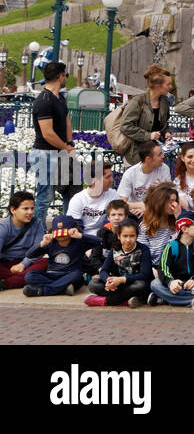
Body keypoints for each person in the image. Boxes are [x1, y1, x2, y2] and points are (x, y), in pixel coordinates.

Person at [31, 61, 76, 223]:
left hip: (60, 151)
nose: (66, 79)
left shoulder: (59, 98)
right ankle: (38, 233)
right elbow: (47, 133)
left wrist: (69, 143)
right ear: (60, 76)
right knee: (45, 197)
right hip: (45, 153)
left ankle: (67, 225)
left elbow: (66, 120)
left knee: (69, 192)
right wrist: (66, 147)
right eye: (65, 75)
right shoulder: (44, 100)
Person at [21, 214, 99, 296]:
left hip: (70, 275)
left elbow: (98, 242)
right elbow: (29, 255)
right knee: (29, 276)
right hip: (51, 275)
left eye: (63, 232)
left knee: (78, 276)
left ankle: (43, 291)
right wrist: (42, 244)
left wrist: (80, 235)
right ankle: (62, 289)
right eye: (57, 232)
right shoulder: (50, 242)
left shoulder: (79, 242)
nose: (60, 235)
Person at [151, 212, 194, 307]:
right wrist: (171, 282)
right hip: (176, 285)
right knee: (155, 284)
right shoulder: (171, 247)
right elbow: (163, 268)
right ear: (184, 229)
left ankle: (168, 300)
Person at [119, 64, 174, 169]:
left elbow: (163, 125)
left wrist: (166, 133)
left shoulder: (164, 102)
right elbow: (125, 126)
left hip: (156, 156)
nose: (171, 87)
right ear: (158, 86)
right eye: (168, 84)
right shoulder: (137, 101)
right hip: (136, 156)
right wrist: (148, 136)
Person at [88, 219, 152, 308]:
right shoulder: (115, 249)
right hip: (118, 285)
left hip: (133, 283)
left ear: (137, 236)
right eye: (125, 236)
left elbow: (145, 274)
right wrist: (108, 281)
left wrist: (121, 280)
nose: (128, 240)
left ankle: (105, 301)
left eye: (132, 236)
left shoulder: (143, 249)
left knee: (140, 286)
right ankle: (125, 300)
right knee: (93, 284)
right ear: (119, 236)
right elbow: (104, 270)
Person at [66, 161, 118, 237]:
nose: (112, 180)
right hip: (83, 239)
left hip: (106, 237)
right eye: (107, 177)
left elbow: (120, 219)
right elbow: (75, 228)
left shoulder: (113, 195)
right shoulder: (78, 200)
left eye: (111, 176)